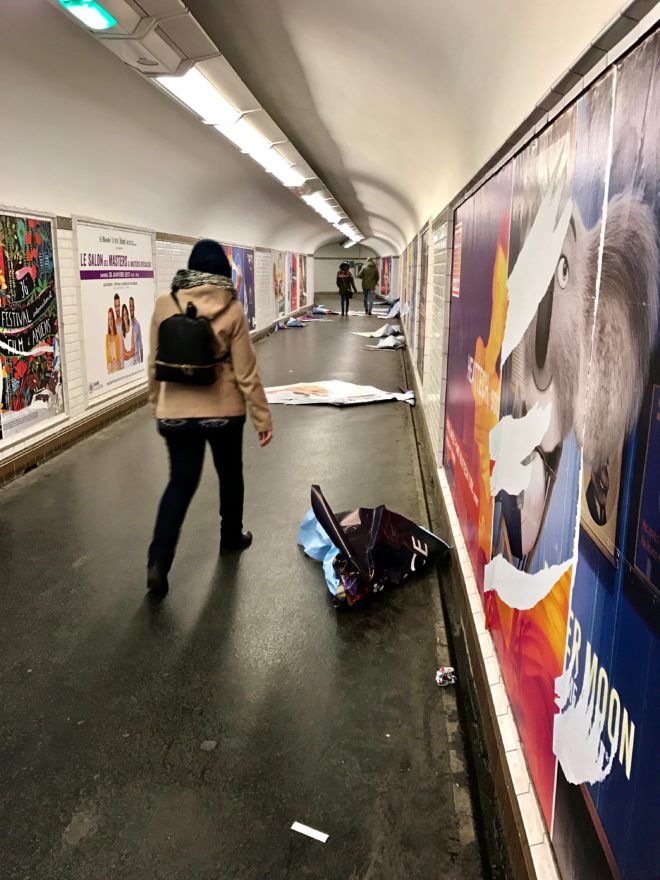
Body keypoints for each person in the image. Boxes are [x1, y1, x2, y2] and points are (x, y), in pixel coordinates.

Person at [147, 239, 273, 596]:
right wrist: (262, 418)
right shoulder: (231, 308)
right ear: (222, 271)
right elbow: (246, 372)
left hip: (175, 413)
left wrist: (157, 404)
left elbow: (154, 364)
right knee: (230, 474)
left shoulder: (164, 304)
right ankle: (231, 536)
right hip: (222, 411)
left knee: (180, 483)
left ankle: (158, 562)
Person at [105, 308, 121, 373]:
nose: (110, 321)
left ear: (113, 319)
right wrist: (109, 366)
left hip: (117, 367)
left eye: (111, 318)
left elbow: (119, 356)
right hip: (110, 369)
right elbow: (107, 358)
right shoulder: (107, 338)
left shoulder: (117, 336)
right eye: (109, 319)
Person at [129, 296, 143, 364]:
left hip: (137, 360)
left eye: (132, 306)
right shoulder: (126, 324)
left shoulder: (137, 324)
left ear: (134, 307)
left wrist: (142, 361)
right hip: (130, 361)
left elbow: (140, 343)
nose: (131, 308)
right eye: (130, 306)